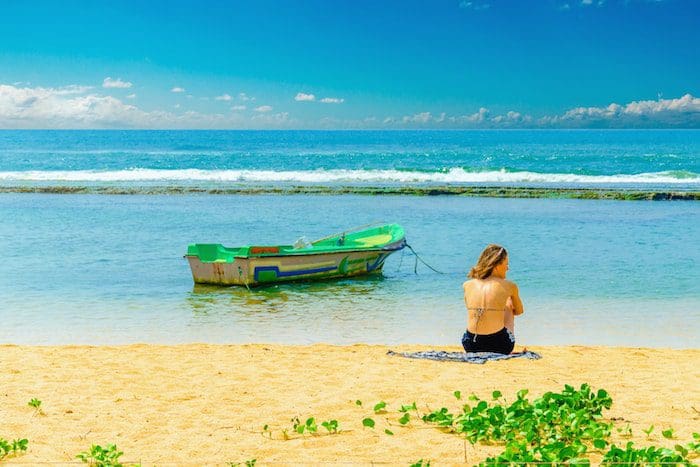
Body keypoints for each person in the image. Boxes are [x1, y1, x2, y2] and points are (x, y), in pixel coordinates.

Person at [462, 244, 524, 354]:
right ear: (496, 265)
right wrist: (505, 302)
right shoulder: (510, 286)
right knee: (508, 304)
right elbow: (519, 311)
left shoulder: (467, 285)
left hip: (471, 344)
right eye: (506, 263)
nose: (508, 268)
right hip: (500, 345)